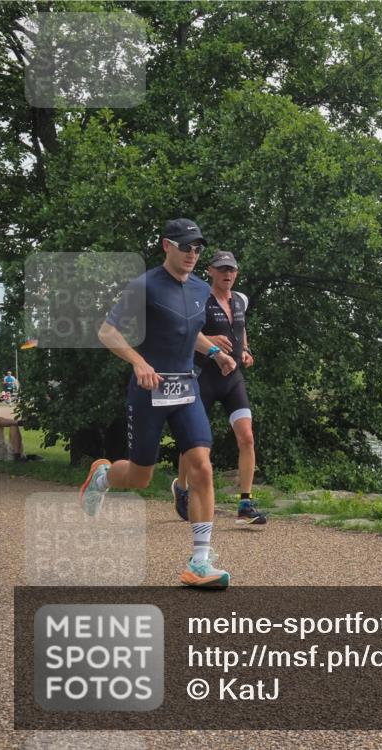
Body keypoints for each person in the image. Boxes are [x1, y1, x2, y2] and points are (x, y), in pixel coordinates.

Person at [79, 218, 237, 589]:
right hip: (149, 390)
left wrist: (215, 352)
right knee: (140, 476)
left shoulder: (200, 288)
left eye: (197, 249)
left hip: (186, 387)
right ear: (167, 246)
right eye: (185, 247)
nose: (192, 255)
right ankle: (102, 475)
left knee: (201, 466)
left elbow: (188, 330)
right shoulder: (145, 285)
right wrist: (139, 362)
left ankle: (200, 561)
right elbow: (107, 331)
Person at [172, 250, 265, 526]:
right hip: (203, 376)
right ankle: (183, 488)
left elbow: (241, 326)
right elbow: (186, 332)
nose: (227, 274)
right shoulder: (198, 299)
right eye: (222, 269)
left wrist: (245, 349)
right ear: (210, 271)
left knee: (247, 437)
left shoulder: (241, 300)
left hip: (232, 377)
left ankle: (245, 504)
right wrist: (209, 340)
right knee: (194, 441)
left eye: (232, 270)